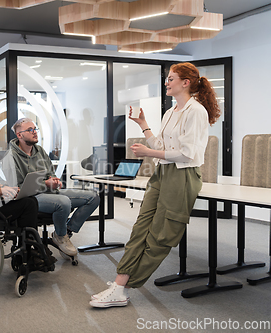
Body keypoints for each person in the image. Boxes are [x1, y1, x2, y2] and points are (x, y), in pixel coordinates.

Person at [89, 62, 221, 308]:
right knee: (141, 227)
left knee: (161, 235)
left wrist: (149, 151)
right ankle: (120, 284)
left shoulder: (196, 111)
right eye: (167, 78)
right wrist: (143, 124)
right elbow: (162, 145)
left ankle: (123, 286)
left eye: (171, 79)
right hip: (163, 173)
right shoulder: (170, 112)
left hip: (183, 176)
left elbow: (187, 154)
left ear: (186, 82)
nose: (166, 82)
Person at [6, 118, 99, 258]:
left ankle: (65, 232)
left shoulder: (40, 151)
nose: (34, 132)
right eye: (30, 130)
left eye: (35, 129)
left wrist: (54, 181)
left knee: (93, 197)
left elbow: (50, 173)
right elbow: (18, 188)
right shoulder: (10, 156)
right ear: (19, 135)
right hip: (30, 198)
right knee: (64, 202)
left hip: (50, 191)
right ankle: (61, 237)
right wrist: (45, 184)